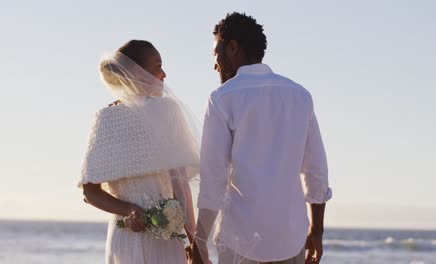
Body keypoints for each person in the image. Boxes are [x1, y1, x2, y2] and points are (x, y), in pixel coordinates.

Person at [191, 13, 332, 264]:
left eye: (216, 54)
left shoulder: (222, 98)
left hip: (240, 241)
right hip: (292, 238)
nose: (215, 64)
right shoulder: (299, 96)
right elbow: (316, 171)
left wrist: (199, 242)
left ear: (232, 47)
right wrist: (316, 231)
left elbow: (214, 179)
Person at [78, 40, 200, 264]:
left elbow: (180, 186)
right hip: (126, 235)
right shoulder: (105, 119)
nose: (163, 74)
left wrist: (194, 244)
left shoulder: (164, 111)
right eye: (157, 65)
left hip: (164, 235)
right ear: (137, 72)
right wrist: (129, 210)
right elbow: (89, 192)